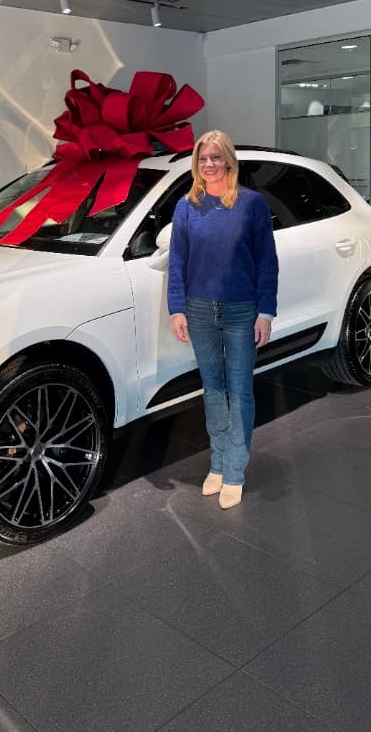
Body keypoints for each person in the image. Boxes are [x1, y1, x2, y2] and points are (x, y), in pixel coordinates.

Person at [167, 130, 278, 509]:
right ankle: (217, 463)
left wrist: (265, 311)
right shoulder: (186, 206)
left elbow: (267, 261)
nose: (209, 164)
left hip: (241, 310)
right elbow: (177, 262)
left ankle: (235, 471)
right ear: (196, 164)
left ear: (229, 161)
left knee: (240, 390)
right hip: (199, 310)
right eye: (203, 158)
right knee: (213, 388)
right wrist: (177, 308)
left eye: (216, 157)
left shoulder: (252, 205)